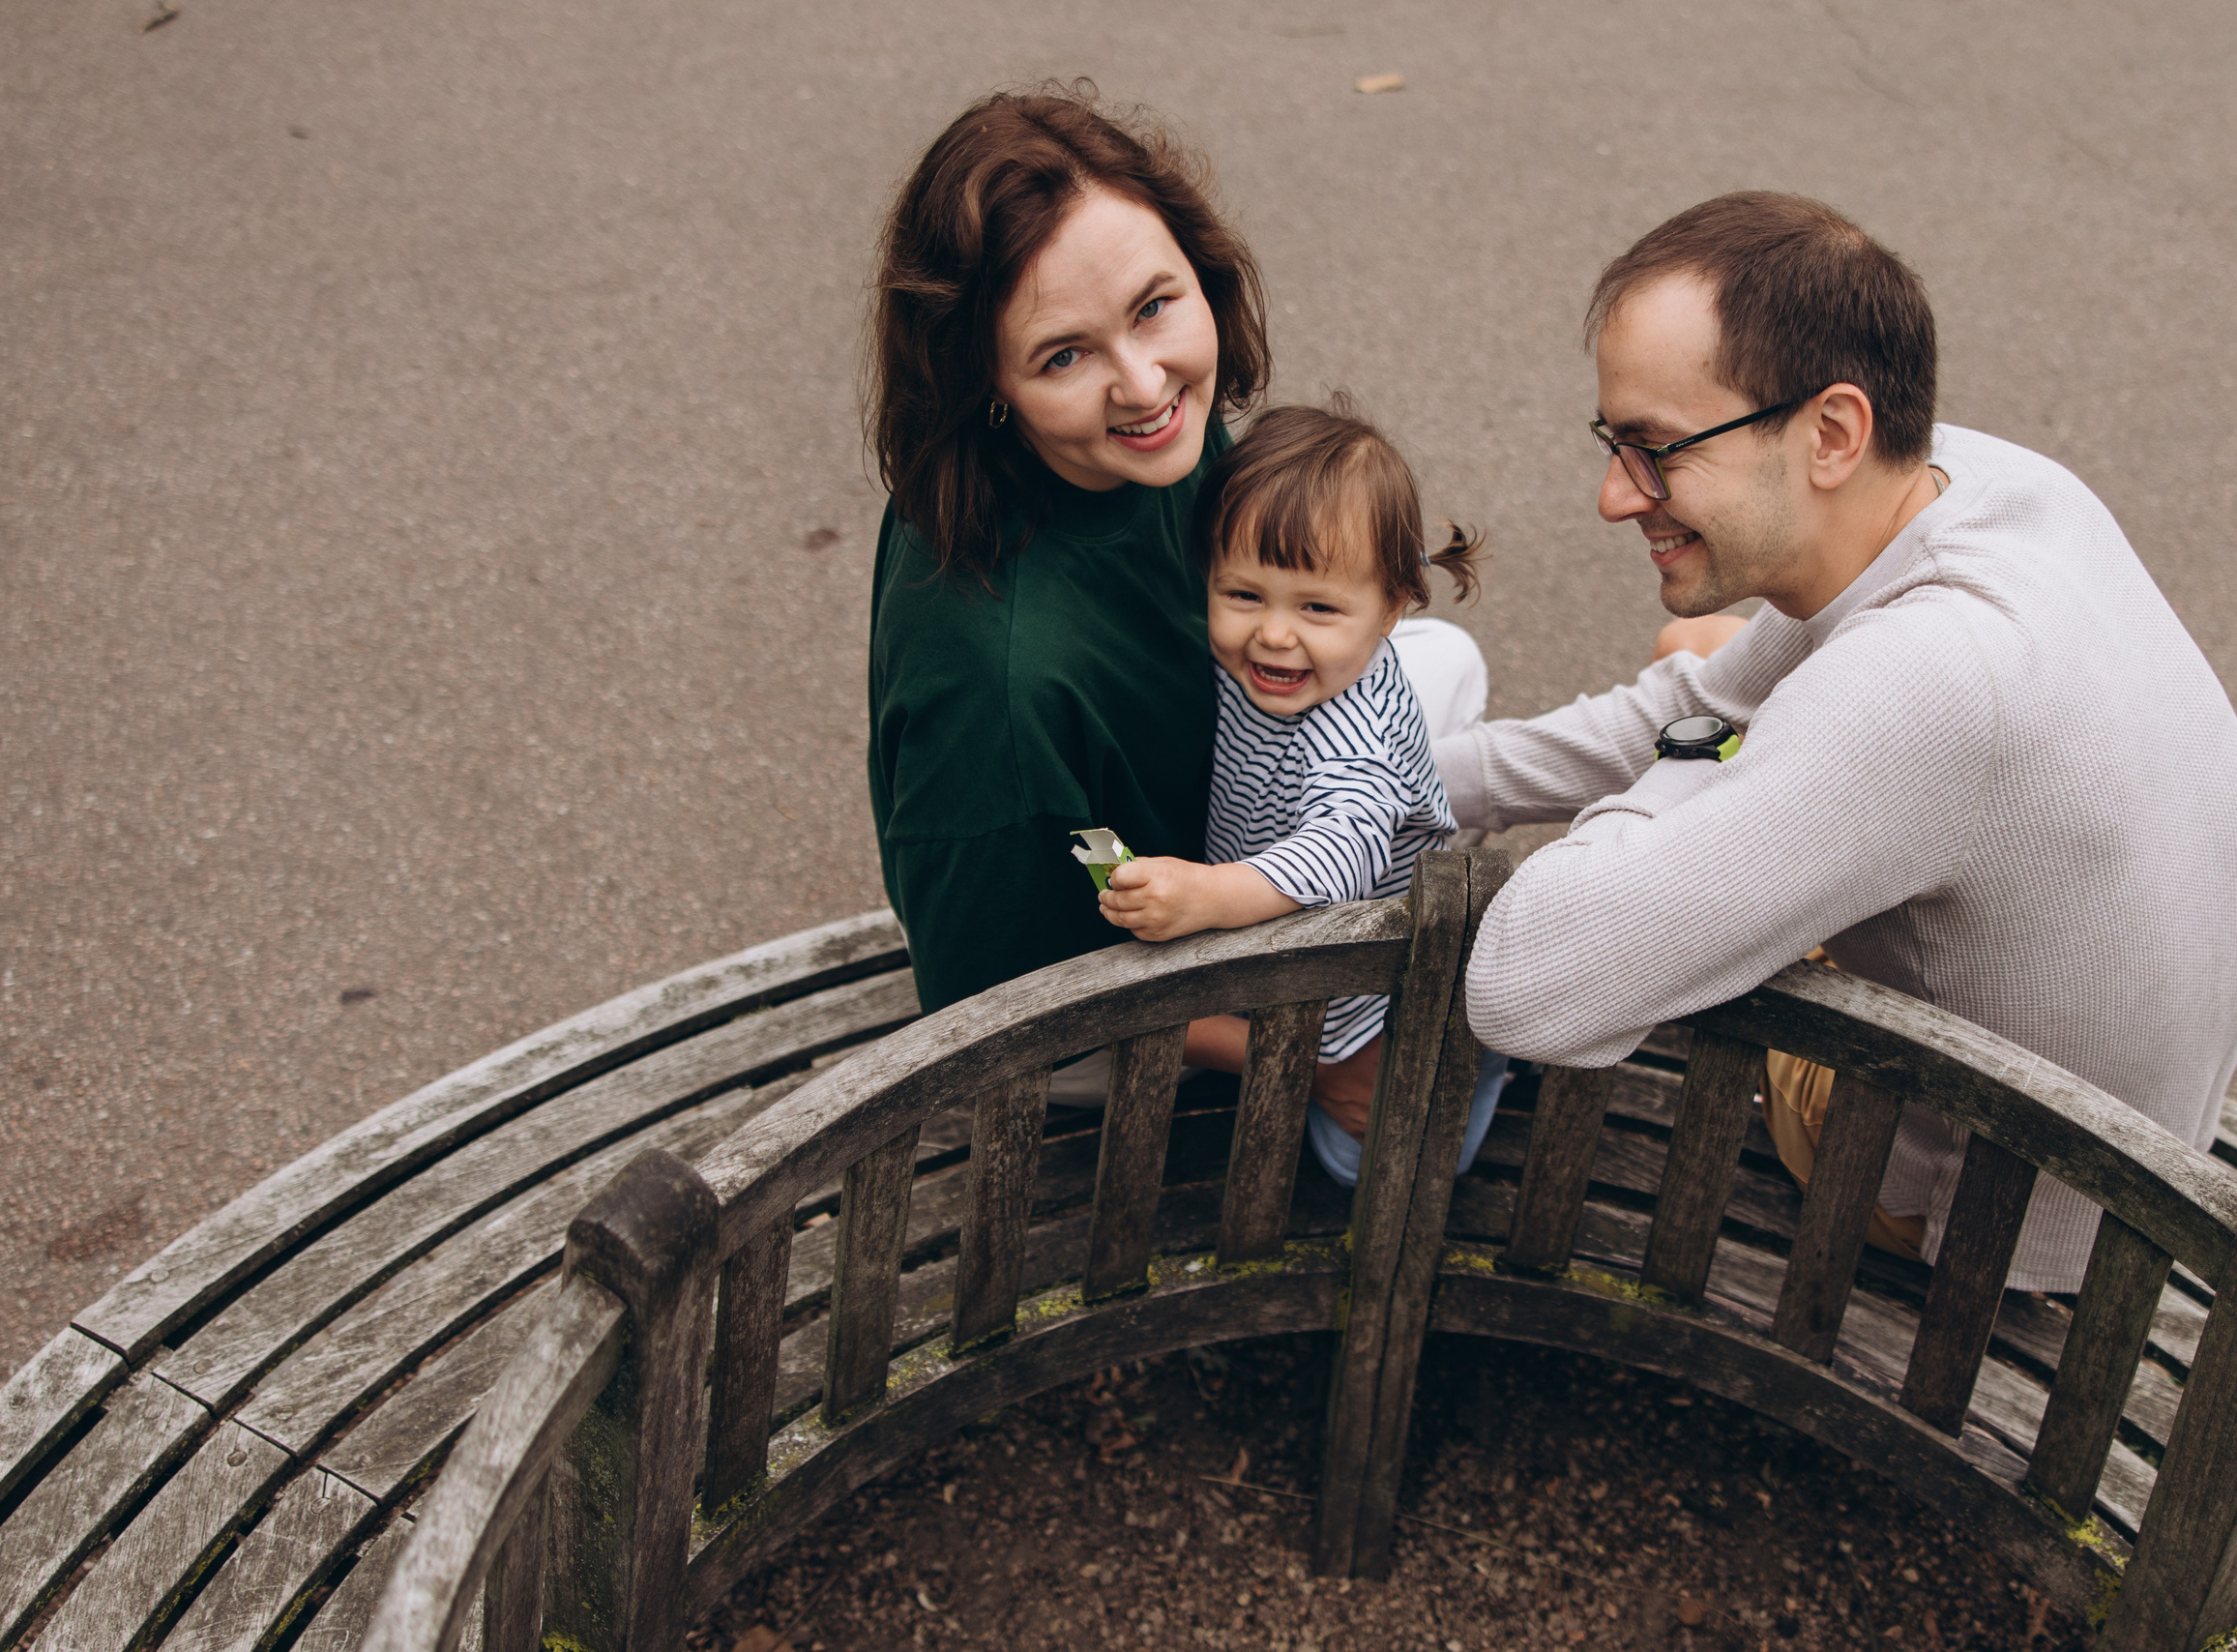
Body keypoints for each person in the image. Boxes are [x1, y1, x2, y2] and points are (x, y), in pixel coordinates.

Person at [1436, 192, 2237, 1290]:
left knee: (1718, 724)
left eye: (1656, 448)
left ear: (1830, 433)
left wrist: (1702, 755)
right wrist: (1433, 779)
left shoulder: (1923, 681)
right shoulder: (1987, 480)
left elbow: (1527, 988)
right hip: (2142, 1127)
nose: (1614, 496)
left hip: (1993, 1214)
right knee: (1717, 660)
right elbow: (1707, 705)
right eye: (1612, 441)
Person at [866, 86, 1490, 1114]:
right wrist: (1304, 1059)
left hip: (1217, 803)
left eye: (1155, 305)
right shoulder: (999, 692)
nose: (1146, 384)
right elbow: (996, 1005)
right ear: (986, 381)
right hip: (1098, 1008)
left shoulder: (1136, 452)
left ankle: (1376, 817)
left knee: (1444, 661)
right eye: (1064, 354)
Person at [1095, 399, 1507, 1182]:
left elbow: (1339, 851)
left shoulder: (1358, 745)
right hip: (1274, 913)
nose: (1275, 634)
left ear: (1390, 608)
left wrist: (1208, 894)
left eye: (1317, 608)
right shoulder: (1258, 663)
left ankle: (1483, 1061)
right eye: (1244, 595)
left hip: (1361, 979)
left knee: (1360, 1161)